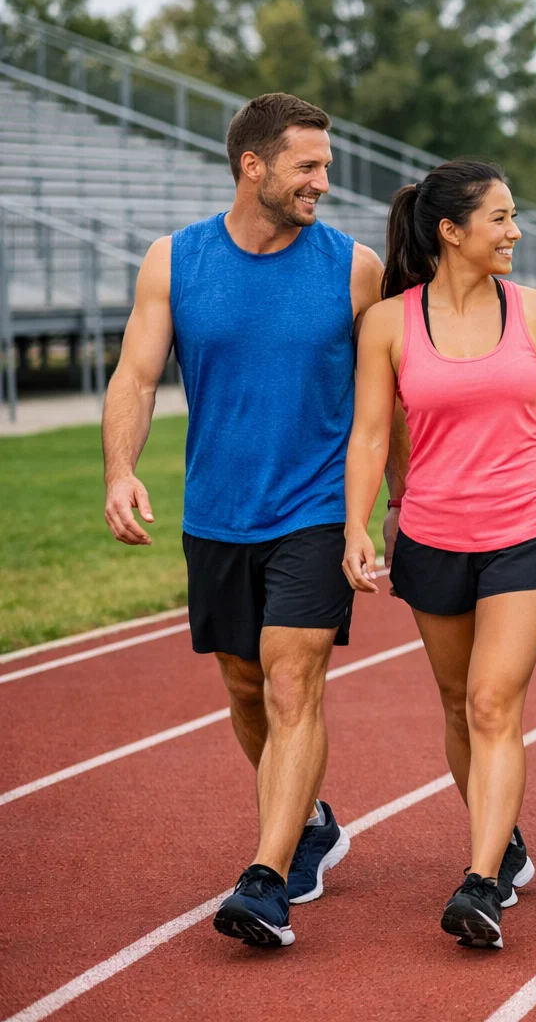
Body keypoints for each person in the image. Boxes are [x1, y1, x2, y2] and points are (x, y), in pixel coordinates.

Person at [102, 94, 382, 947]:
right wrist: (120, 469)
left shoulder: (355, 267)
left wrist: (382, 509)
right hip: (218, 512)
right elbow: (137, 376)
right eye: (307, 166)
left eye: (325, 166)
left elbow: (386, 401)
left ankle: (267, 876)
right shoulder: (174, 260)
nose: (323, 182)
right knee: (243, 684)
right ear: (251, 166)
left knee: (293, 679)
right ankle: (310, 819)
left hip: (316, 510)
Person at [341, 161, 536, 949]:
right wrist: (359, 524)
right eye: (500, 218)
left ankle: (481, 881)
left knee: (493, 700)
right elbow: (370, 434)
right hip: (430, 535)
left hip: (526, 530)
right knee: (459, 705)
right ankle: (502, 837)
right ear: (451, 231)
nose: (515, 231)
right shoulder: (389, 323)